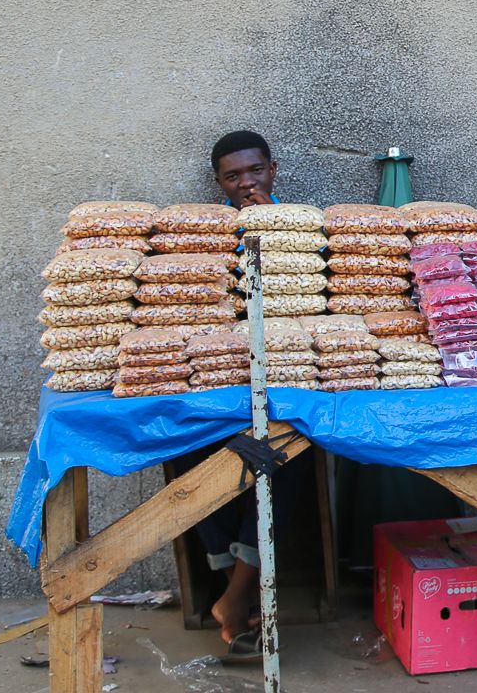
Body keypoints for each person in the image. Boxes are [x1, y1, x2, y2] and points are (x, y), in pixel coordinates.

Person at [175, 129, 302, 659]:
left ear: (273, 169)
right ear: (219, 183)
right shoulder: (208, 234)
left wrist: (271, 229)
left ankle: (235, 598)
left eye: (255, 171)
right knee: (197, 460)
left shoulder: (299, 225)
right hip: (218, 379)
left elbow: (308, 296)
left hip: (284, 378)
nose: (247, 183)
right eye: (234, 176)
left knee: (283, 459)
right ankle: (233, 589)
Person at [212, 130, 278, 208]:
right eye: (232, 176)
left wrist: (272, 216)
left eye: (257, 170)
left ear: (271, 170)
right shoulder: (201, 219)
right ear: (220, 183)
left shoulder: (295, 218)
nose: (247, 183)